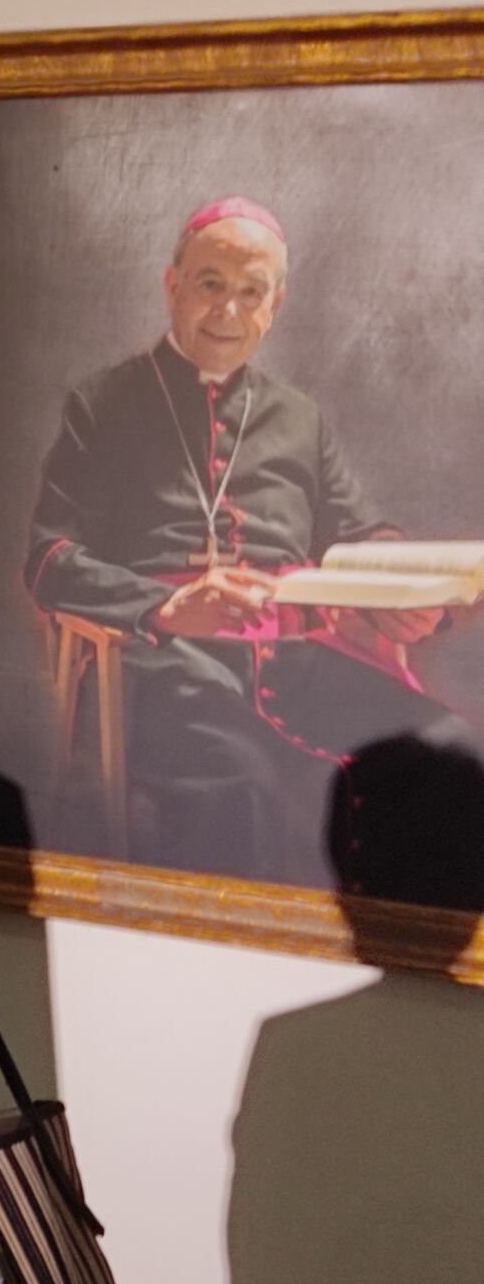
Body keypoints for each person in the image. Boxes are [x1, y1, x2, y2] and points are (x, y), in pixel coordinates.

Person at [24, 195, 479, 881]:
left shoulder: (298, 418)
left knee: (447, 751)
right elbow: (49, 558)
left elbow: (355, 532)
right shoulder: (102, 404)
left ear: (275, 304)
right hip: (158, 664)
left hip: (297, 659)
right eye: (210, 284)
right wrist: (164, 606)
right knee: (240, 787)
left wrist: (402, 597)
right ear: (172, 285)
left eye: (251, 292)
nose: (228, 312)